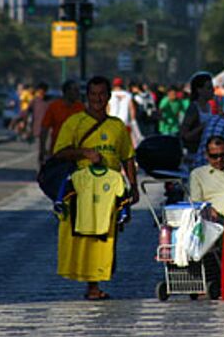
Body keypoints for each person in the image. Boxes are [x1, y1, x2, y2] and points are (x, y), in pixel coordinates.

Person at [52, 75, 138, 300]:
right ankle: (93, 285)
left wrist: (133, 187)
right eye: (93, 94)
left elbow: (128, 158)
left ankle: (98, 278)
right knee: (90, 236)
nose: (98, 99)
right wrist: (84, 153)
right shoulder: (75, 123)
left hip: (111, 191)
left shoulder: (117, 127)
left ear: (108, 96)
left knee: (109, 235)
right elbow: (59, 152)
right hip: (84, 191)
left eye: (102, 94)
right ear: (87, 97)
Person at [38, 79, 85, 166]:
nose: (78, 93)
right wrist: (42, 149)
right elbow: (44, 129)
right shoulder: (54, 107)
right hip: (58, 150)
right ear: (66, 92)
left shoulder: (81, 108)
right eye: (75, 90)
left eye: (78, 90)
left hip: (77, 152)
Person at [180, 72, 216, 169]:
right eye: (209, 88)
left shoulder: (209, 106)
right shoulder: (194, 108)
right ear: (199, 90)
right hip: (194, 155)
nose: (213, 90)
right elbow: (184, 135)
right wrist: (202, 127)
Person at [28, 82, 50, 147]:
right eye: (40, 90)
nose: (42, 92)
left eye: (44, 90)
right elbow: (28, 112)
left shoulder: (49, 101)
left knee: (45, 148)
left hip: (47, 129)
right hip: (36, 128)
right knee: (38, 148)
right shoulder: (34, 101)